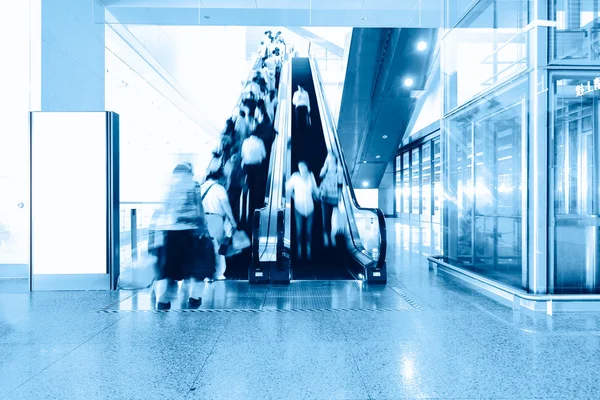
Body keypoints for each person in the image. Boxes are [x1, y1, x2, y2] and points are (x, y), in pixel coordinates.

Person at [154, 163, 211, 310]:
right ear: (189, 173)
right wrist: (204, 227)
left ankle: (163, 301)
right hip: (190, 233)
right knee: (195, 269)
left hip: (171, 233)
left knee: (171, 272)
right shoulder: (195, 185)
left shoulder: (170, 187)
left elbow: (164, 209)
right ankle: (194, 298)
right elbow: (199, 207)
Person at [201, 167, 237, 281]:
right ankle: (218, 273)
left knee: (204, 246)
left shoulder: (200, 188)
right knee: (218, 247)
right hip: (215, 219)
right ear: (220, 178)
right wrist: (233, 220)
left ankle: (206, 274)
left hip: (201, 220)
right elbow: (226, 206)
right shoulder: (219, 188)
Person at [286, 161, 318, 261]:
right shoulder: (295, 176)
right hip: (298, 208)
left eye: (303, 167)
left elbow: (315, 190)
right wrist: (294, 197)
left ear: (307, 167)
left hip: (310, 208)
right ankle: (299, 253)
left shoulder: (310, 176)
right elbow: (287, 189)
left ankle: (308, 253)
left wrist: (319, 195)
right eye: (300, 167)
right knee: (299, 231)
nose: (301, 169)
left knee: (309, 232)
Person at [319, 152, 344, 247]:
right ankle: (326, 239)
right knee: (326, 220)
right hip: (325, 198)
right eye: (329, 160)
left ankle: (332, 238)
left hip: (334, 198)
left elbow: (340, 185)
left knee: (335, 220)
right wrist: (326, 164)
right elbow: (320, 175)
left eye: (332, 160)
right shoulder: (325, 171)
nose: (331, 161)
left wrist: (339, 198)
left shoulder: (339, 171)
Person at [241, 130, 266, 221]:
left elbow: (242, 155)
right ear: (257, 134)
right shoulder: (260, 142)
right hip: (257, 167)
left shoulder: (245, 142)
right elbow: (264, 155)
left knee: (248, 187)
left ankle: (245, 212)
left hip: (247, 167)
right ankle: (255, 208)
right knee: (256, 187)